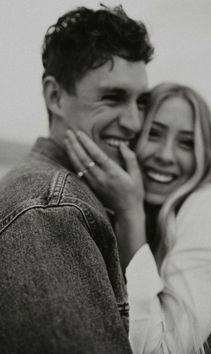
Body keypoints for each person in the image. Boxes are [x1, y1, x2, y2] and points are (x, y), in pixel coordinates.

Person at [0, 5, 154, 353]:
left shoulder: (65, 193)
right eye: (112, 97)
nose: (133, 122)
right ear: (55, 96)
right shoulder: (50, 207)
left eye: (140, 101)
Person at [65, 82, 211, 353]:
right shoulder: (137, 216)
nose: (166, 156)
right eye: (154, 134)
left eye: (186, 143)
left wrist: (130, 212)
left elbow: (164, 349)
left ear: (205, 153)